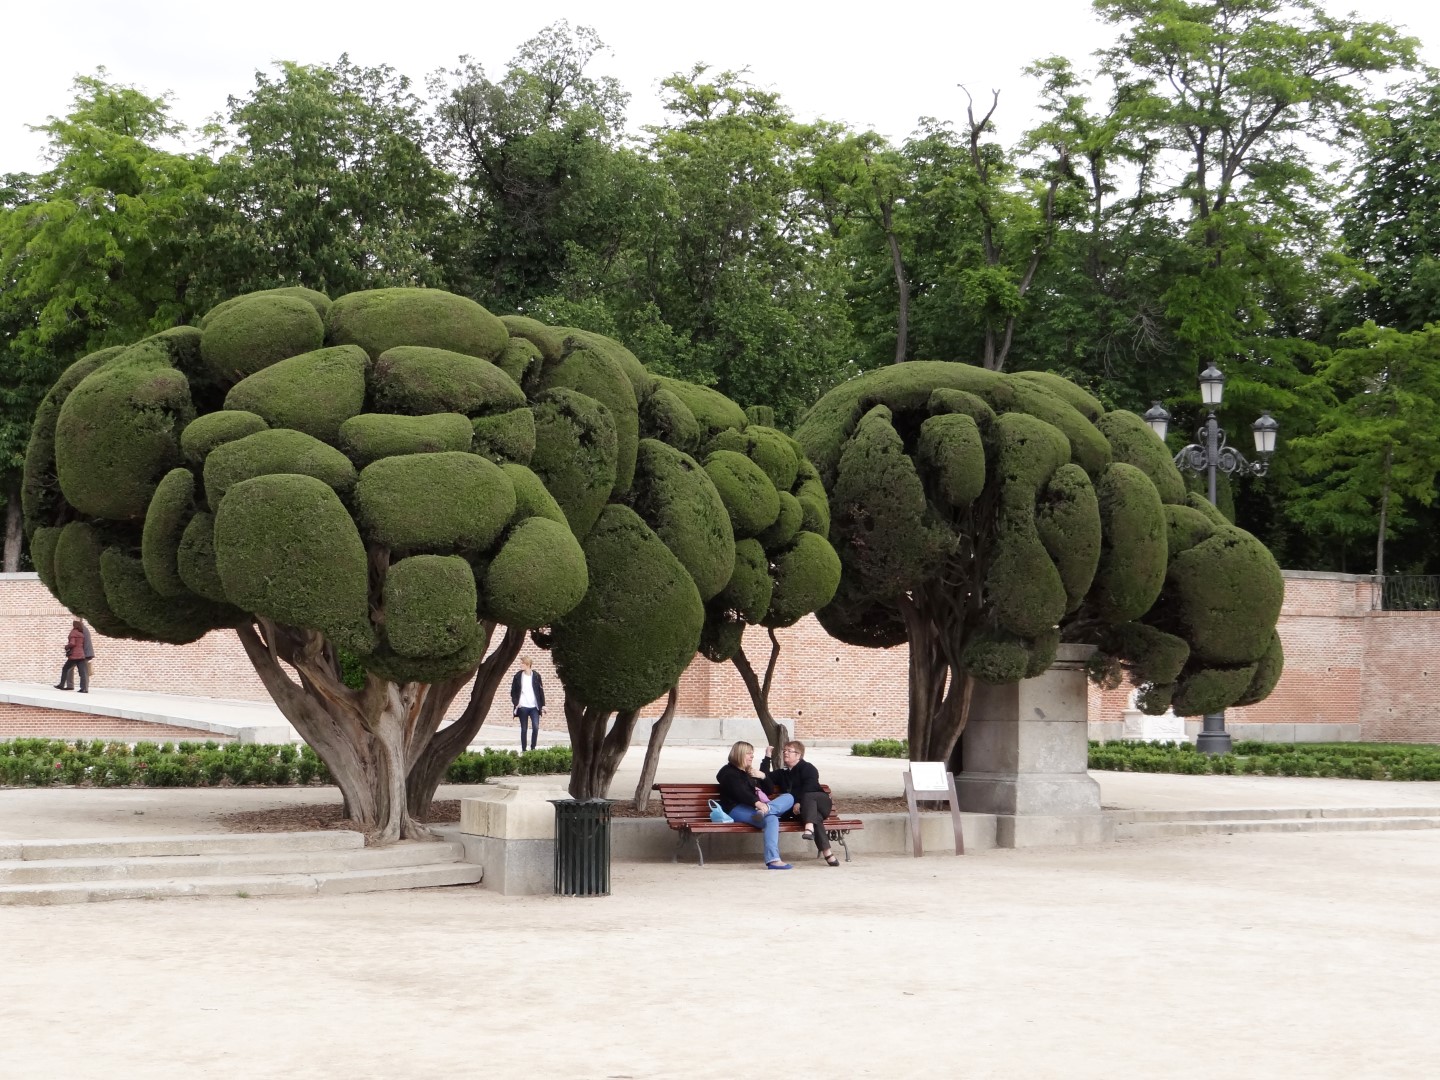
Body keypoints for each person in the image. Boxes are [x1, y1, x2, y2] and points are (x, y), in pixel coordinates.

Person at [716, 740, 796, 870]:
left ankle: (768, 810)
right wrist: (757, 803)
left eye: (752, 753)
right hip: (736, 809)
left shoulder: (748, 772)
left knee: (789, 797)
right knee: (772, 818)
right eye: (748, 753)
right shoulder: (728, 773)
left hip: (757, 809)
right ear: (739, 754)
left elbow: (769, 790)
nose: (752, 756)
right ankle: (774, 860)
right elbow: (740, 792)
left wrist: (763, 776)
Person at [763, 739, 839, 866]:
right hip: (807, 811)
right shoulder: (783, 773)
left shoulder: (808, 768)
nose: (785, 753)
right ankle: (828, 853)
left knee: (809, 796)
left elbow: (809, 787)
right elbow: (764, 777)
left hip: (821, 803)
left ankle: (809, 827)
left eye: (789, 751)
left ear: (798, 755)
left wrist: (798, 802)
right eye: (784, 751)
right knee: (816, 818)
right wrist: (767, 757)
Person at [510, 656, 545, 751]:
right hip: (523, 707)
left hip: (534, 707)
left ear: (528, 664)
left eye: (522, 663)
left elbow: (540, 692)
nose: (520, 665)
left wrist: (543, 705)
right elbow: (513, 692)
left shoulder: (536, 676)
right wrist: (516, 703)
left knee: (536, 727)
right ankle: (524, 750)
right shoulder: (517, 676)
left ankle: (533, 748)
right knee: (524, 729)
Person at [55, 619, 89, 693]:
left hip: (74, 656)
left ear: (74, 626)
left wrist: (66, 647)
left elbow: (72, 643)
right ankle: (84, 689)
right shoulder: (81, 634)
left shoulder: (73, 632)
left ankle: (61, 684)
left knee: (65, 669)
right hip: (81, 655)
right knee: (82, 672)